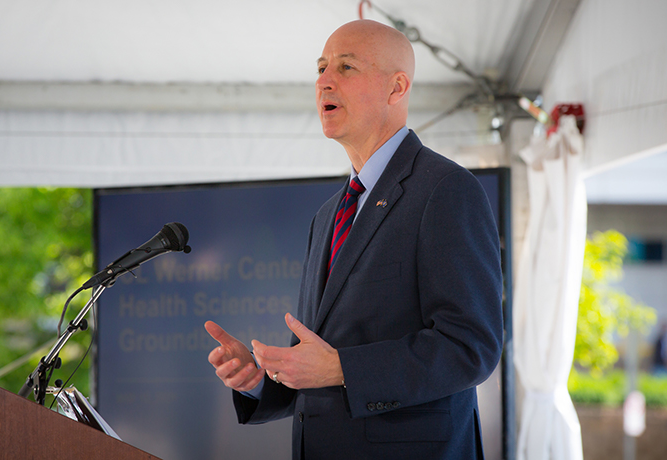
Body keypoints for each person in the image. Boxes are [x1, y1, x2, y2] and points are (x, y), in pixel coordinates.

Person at [205, 19, 503, 459]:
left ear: (396, 88)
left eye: (345, 68)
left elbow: (469, 346)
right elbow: (316, 364)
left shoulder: (445, 190)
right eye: (321, 67)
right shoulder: (329, 215)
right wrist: (259, 382)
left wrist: (343, 368)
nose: (324, 81)